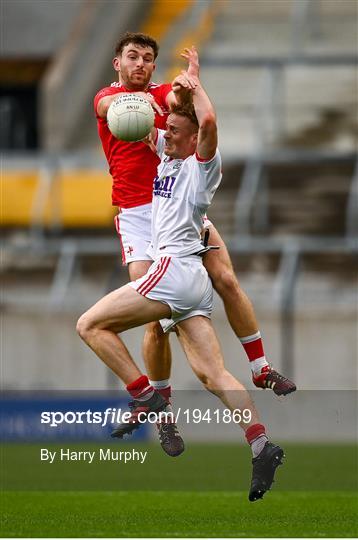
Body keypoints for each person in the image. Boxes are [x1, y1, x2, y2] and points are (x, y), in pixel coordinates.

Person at [79, 68, 284, 502]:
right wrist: (160, 101)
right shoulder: (170, 156)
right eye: (165, 128)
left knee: (90, 326)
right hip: (191, 281)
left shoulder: (200, 168)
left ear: (193, 140)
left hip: (171, 273)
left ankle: (147, 396)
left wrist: (197, 86)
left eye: (173, 130)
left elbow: (207, 123)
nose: (164, 133)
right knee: (213, 374)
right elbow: (145, 124)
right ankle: (262, 445)